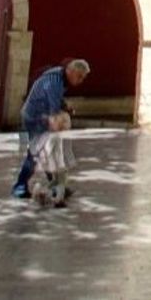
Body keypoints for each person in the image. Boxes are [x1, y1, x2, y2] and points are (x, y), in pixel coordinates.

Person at [11, 58, 91, 199]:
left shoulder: (60, 77)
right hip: (35, 118)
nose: (81, 80)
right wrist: (58, 126)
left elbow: (56, 101)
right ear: (71, 71)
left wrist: (65, 107)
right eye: (80, 76)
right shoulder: (55, 82)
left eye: (83, 77)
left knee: (48, 152)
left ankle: (56, 186)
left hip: (40, 116)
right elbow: (53, 109)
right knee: (36, 153)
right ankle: (20, 186)